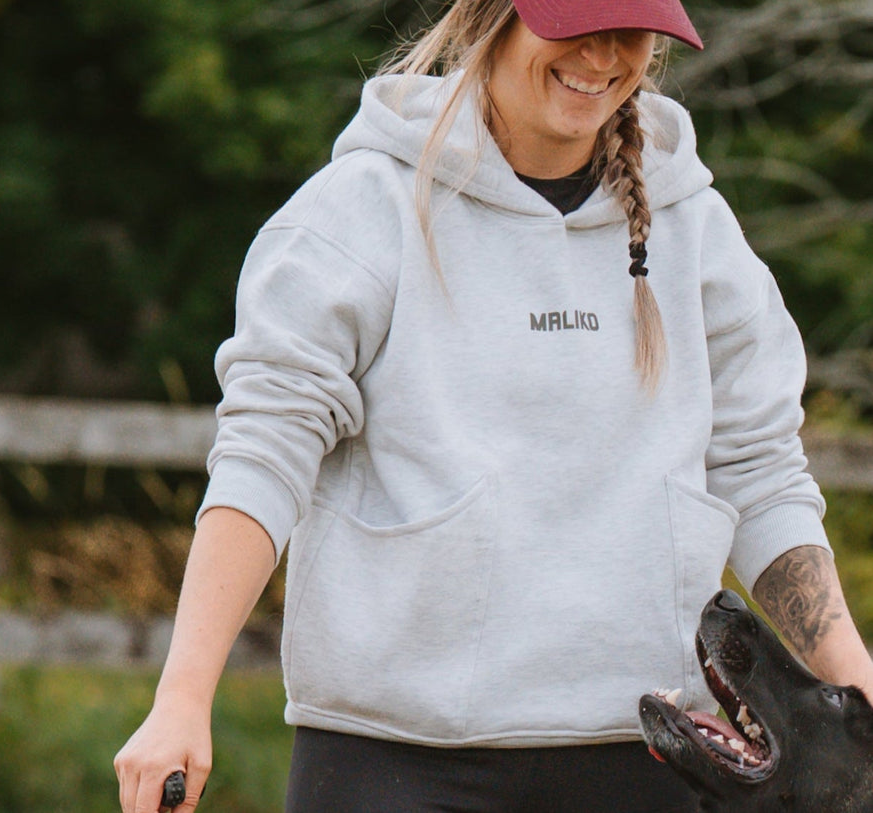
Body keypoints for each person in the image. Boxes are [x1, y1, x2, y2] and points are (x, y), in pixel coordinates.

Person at [115, 0, 873, 810]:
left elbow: (758, 472)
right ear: (494, 15)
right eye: (576, 19)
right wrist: (181, 697)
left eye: (632, 29)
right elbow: (265, 457)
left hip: (640, 764)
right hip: (391, 765)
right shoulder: (359, 211)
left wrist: (855, 685)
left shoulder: (694, 230)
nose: (604, 56)